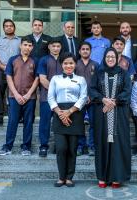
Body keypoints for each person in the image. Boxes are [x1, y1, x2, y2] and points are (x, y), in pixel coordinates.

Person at [90, 48, 131, 188]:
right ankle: (102, 177)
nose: (110, 59)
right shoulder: (98, 73)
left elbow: (127, 91)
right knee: (102, 144)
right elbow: (92, 89)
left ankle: (117, 177)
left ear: (117, 58)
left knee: (118, 145)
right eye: (108, 56)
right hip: (101, 114)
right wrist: (103, 99)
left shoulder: (124, 74)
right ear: (104, 58)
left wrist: (113, 102)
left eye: (112, 56)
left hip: (119, 115)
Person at [48, 53, 88, 187]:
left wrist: (69, 112)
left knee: (72, 149)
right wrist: (61, 114)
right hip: (59, 113)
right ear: (61, 64)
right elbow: (51, 97)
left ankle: (69, 177)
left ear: (75, 64)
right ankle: (61, 177)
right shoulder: (55, 79)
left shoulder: (81, 79)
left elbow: (83, 98)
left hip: (75, 114)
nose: (68, 66)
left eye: (71, 63)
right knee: (61, 148)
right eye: (65, 63)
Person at [0, 37, 39, 156]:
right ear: (20, 46)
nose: (27, 47)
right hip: (14, 97)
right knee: (12, 122)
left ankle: (26, 147)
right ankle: (7, 147)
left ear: (32, 47)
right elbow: (9, 77)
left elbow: (37, 79)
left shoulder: (35, 60)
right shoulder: (12, 59)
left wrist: (28, 94)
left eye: (30, 45)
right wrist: (15, 94)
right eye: (25, 45)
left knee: (28, 122)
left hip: (30, 98)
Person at [0, 19, 21, 126]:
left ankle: (16, 116)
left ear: (14, 27)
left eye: (11, 26)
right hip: (1, 69)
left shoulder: (20, 40)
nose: (8, 27)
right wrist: (2, 66)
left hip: (16, 70)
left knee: (15, 93)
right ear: (3, 28)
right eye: (6, 26)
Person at [37, 38, 63, 157]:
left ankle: (58, 146)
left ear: (60, 47)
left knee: (60, 122)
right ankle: (43, 146)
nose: (56, 48)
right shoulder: (44, 60)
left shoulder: (65, 60)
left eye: (58, 46)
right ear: (49, 47)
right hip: (46, 97)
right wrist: (54, 91)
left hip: (62, 98)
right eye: (53, 46)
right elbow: (42, 79)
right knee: (45, 122)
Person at [75, 42, 100, 156]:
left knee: (93, 124)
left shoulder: (96, 64)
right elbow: (73, 82)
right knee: (79, 124)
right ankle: (80, 146)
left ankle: (92, 147)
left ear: (90, 51)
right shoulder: (75, 64)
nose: (85, 51)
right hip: (78, 100)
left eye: (87, 49)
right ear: (79, 51)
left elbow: (99, 83)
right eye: (83, 49)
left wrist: (91, 96)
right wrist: (82, 97)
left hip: (93, 100)